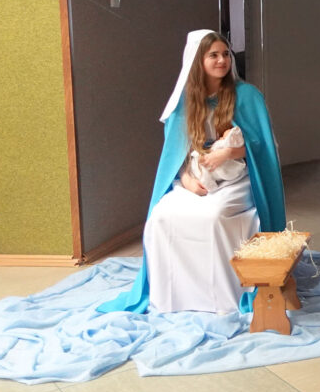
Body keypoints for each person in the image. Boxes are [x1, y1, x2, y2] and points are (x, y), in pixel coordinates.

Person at [99, 30, 285, 314]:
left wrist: (227, 153)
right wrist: (186, 180)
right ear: (198, 61)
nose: (222, 60)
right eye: (213, 55)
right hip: (194, 177)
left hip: (237, 178)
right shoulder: (185, 101)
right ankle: (174, 297)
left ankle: (223, 297)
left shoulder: (247, 96)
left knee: (215, 216)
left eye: (225, 54)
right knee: (161, 217)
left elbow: (263, 147)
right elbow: (176, 153)